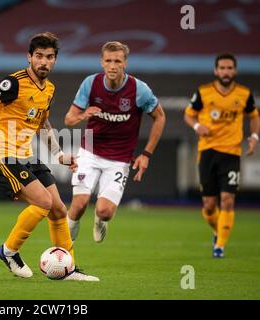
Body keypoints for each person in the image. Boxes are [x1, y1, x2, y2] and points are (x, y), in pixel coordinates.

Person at [0, 32, 99, 281]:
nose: (44, 62)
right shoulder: (15, 82)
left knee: (59, 209)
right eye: (38, 56)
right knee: (43, 202)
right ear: (29, 56)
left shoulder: (49, 88)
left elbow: (43, 123)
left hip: (25, 155)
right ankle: (9, 251)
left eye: (49, 57)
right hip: (2, 155)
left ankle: (68, 268)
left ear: (55, 60)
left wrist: (59, 155)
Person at [65, 41, 166, 243]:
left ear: (125, 63)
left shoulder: (139, 89)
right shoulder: (90, 84)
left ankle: (100, 220)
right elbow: (68, 120)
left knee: (105, 212)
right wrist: (84, 114)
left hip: (120, 159)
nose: (113, 65)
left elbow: (160, 117)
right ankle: (63, 250)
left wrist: (146, 154)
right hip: (90, 152)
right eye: (108, 61)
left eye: (117, 61)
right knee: (79, 205)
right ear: (102, 63)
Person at [184, 52, 259, 258]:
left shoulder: (244, 94)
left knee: (227, 200)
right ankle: (217, 230)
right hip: (207, 152)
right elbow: (188, 114)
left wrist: (254, 137)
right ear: (216, 71)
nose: (226, 72)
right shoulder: (204, 92)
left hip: (231, 153)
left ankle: (220, 247)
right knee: (209, 206)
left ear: (234, 70)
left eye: (229, 68)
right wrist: (197, 125)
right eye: (222, 68)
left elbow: (254, 116)